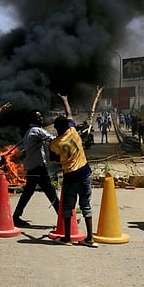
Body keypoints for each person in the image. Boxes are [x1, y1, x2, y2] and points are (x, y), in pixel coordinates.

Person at [49, 94, 98, 247]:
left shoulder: (54, 143)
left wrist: (60, 160)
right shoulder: (73, 131)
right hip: (85, 172)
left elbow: (53, 160)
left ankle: (67, 238)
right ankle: (90, 238)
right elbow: (69, 114)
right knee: (86, 205)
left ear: (57, 128)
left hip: (70, 175)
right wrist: (65, 100)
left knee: (68, 207)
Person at [12, 109, 59, 227]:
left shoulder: (29, 132)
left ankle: (16, 216)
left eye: (41, 116)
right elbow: (53, 139)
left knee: (28, 192)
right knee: (50, 192)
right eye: (38, 117)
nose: (41, 118)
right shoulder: (37, 131)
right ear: (33, 120)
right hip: (38, 167)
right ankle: (64, 217)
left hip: (32, 167)